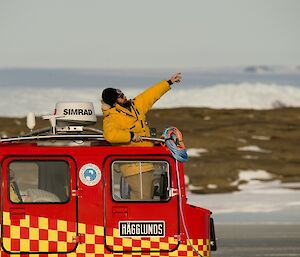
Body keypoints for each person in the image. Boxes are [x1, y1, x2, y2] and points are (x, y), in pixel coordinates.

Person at [101, 72, 182, 200]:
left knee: (147, 196)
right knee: (142, 198)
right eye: (121, 97)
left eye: (123, 94)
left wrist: (169, 82)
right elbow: (110, 135)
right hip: (134, 166)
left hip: (145, 162)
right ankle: (136, 219)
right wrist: (131, 135)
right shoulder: (112, 118)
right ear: (114, 102)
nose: (125, 97)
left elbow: (149, 95)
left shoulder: (134, 106)